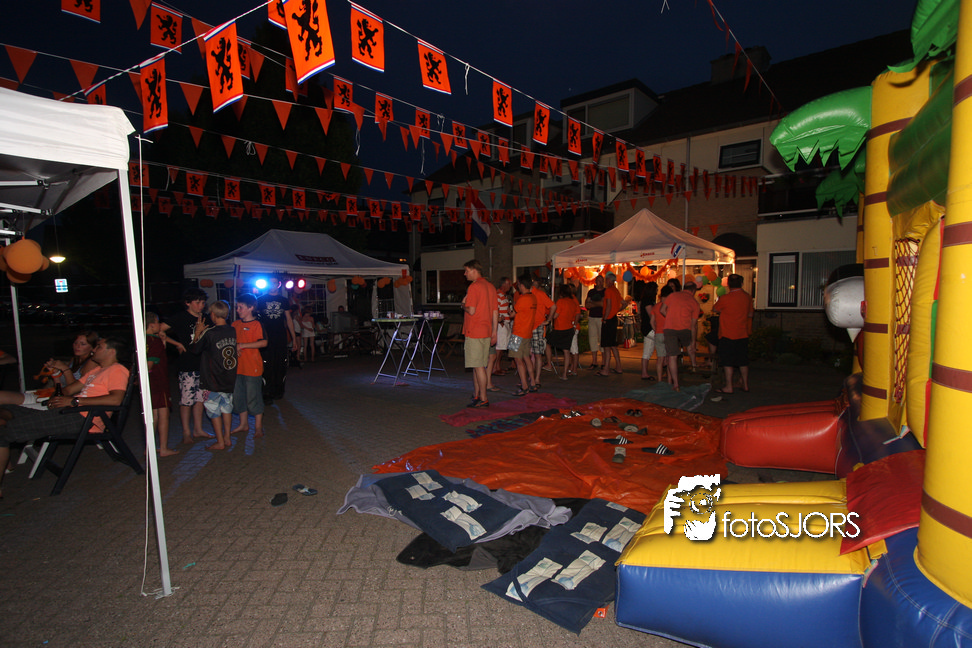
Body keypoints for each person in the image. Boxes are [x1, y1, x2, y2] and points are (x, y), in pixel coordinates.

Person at [0, 336, 129, 499]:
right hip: (68, 412)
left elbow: (116, 399)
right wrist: (58, 395)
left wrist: (75, 401)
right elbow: (69, 390)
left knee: (4, 433)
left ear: (111, 352)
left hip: (82, 418)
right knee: (7, 409)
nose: (94, 350)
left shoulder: (117, 370)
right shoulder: (97, 371)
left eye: (99, 347)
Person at [190, 300, 237, 451]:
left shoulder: (210, 333)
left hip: (212, 379)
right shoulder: (232, 330)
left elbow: (195, 349)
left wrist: (198, 333)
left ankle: (220, 441)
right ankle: (227, 437)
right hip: (228, 377)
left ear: (213, 315)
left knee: (213, 410)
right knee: (226, 408)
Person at [165, 288, 211, 444]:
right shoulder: (180, 317)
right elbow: (157, 330)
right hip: (187, 365)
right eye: (197, 302)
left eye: (203, 303)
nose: (201, 306)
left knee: (200, 399)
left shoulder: (206, 318)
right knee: (186, 400)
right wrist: (176, 343)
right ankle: (186, 431)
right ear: (188, 303)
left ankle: (198, 429)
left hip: (203, 364)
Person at [461, 259, 498, 408]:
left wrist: (463, 305)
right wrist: (494, 332)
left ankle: (483, 398)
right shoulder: (490, 286)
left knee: (478, 367)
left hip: (474, 331)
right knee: (478, 365)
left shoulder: (474, 287)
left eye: (466, 270)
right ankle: (476, 395)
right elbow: (495, 311)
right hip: (486, 331)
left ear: (474, 270)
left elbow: (471, 310)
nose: (465, 274)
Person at [231, 294, 267, 438]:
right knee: (238, 397)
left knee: (253, 398)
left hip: (252, 367)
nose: (238, 310)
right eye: (237, 307)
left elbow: (263, 342)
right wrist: (234, 347)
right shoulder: (235, 324)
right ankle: (243, 424)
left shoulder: (257, 324)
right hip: (237, 367)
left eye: (241, 307)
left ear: (251, 307)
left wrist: (242, 345)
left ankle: (258, 426)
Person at [712, 274, 754, 394]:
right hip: (742, 333)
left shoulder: (725, 298)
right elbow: (750, 314)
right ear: (742, 283)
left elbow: (715, 309)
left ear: (729, 285)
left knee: (727, 361)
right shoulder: (747, 297)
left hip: (727, 333)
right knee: (743, 360)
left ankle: (729, 386)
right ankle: (745, 384)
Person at [258, 278, 296, 404]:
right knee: (267, 365)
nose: (272, 284)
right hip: (266, 338)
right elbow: (255, 319)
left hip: (280, 337)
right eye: (271, 282)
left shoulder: (283, 300)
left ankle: (278, 390)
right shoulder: (261, 299)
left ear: (279, 285)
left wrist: (294, 339)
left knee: (280, 364)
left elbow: (289, 320)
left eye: (275, 282)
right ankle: (266, 392)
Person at [661, 278, 701, 391]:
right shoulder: (694, 302)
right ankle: (694, 365)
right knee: (689, 345)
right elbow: (694, 325)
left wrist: (670, 317)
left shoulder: (672, 296)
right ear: (693, 291)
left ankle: (676, 384)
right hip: (684, 328)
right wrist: (693, 341)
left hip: (670, 328)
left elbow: (662, 310)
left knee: (672, 356)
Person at [145, 313, 176, 457]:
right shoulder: (154, 341)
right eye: (158, 322)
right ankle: (163, 447)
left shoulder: (143, 340)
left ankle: (149, 447)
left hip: (150, 383)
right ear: (152, 325)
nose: (159, 324)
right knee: (163, 413)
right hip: (158, 381)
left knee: (153, 414)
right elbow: (150, 363)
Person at [510, 274, 538, 396]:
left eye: (518, 285)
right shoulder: (533, 298)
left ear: (522, 285)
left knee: (518, 360)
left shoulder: (522, 299)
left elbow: (512, 314)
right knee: (527, 358)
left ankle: (524, 386)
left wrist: (509, 309)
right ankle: (533, 383)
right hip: (527, 333)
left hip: (518, 333)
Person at [549, 284, 581, 381]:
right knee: (566, 351)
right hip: (569, 329)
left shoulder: (561, 301)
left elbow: (555, 315)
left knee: (546, 342)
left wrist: (550, 314)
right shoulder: (572, 302)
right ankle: (564, 374)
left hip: (560, 328)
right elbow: (576, 313)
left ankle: (549, 363)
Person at [486, 276, 513, 382]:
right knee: (498, 347)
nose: (510, 286)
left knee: (501, 347)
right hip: (501, 325)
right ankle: (494, 368)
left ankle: (497, 367)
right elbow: (495, 309)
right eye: (509, 283)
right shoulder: (498, 295)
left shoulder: (503, 296)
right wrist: (500, 321)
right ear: (504, 284)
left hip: (505, 324)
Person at [597, 272, 623, 376]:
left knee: (607, 346)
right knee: (613, 345)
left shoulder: (608, 291)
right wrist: (616, 310)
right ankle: (619, 367)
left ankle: (606, 369)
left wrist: (605, 318)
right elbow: (624, 303)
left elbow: (608, 305)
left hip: (608, 319)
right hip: (613, 318)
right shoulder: (616, 290)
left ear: (608, 280)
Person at [531, 282, 555, 376]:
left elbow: (552, 307)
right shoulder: (526, 294)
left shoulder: (540, 294)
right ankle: (532, 377)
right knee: (531, 354)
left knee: (537, 353)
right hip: (529, 326)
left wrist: (548, 320)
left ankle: (536, 377)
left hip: (538, 327)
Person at [651, 285, 673, 383]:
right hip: (668, 333)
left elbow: (652, 321)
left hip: (659, 333)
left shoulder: (656, 306)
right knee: (669, 359)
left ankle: (659, 380)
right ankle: (669, 380)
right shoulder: (670, 306)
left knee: (660, 359)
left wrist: (656, 330)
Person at [585, 274, 605, 370]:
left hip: (601, 317)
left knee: (602, 339)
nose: (599, 283)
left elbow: (603, 304)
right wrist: (597, 304)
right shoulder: (591, 292)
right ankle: (594, 361)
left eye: (601, 281)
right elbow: (587, 305)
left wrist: (592, 303)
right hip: (592, 317)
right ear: (595, 282)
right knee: (592, 338)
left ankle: (604, 361)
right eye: (598, 281)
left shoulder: (605, 292)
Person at [639, 282, 658, 380]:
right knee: (662, 345)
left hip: (646, 328)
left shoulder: (645, 300)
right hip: (649, 328)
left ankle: (644, 373)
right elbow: (651, 316)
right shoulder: (648, 301)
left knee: (647, 351)